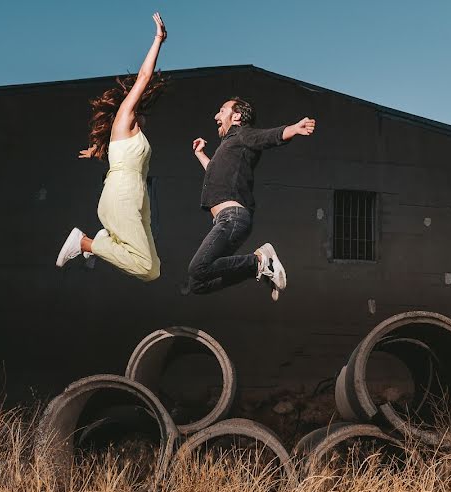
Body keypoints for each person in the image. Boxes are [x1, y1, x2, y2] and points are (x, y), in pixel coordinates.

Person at [55, 12, 167, 282]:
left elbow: (119, 154)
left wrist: (97, 151)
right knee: (142, 266)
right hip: (122, 195)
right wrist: (158, 40)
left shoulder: (124, 134)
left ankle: (101, 240)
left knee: (152, 270)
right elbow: (143, 77)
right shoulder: (124, 116)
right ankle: (85, 243)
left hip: (137, 196)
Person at [188, 98, 316, 300]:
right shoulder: (230, 146)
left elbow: (267, 137)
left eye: (221, 111)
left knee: (198, 268)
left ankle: (259, 261)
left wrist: (293, 128)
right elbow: (216, 173)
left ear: (236, 115)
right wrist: (200, 154)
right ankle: (255, 268)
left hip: (233, 218)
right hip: (226, 220)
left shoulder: (242, 134)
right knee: (197, 284)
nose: (216, 116)